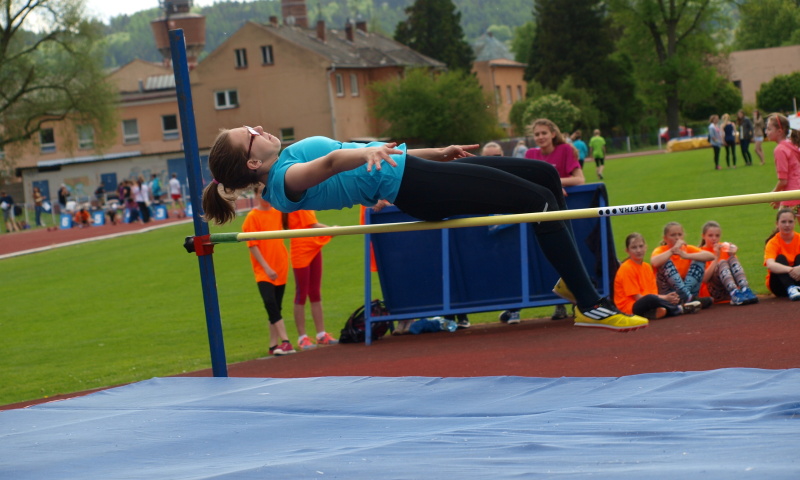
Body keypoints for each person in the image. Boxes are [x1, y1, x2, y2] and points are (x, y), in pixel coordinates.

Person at [202, 125, 649, 331]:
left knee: (545, 177)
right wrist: (369, 151)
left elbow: (382, 156)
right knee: (537, 202)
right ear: (252, 163)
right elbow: (337, 160)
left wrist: (438, 152)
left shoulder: (285, 156)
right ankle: (590, 305)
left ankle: (572, 283)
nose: (258, 127)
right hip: (416, 189)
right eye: (250, 134)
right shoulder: (283, 182)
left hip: (417, 173)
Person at [525, 118, 585, 321]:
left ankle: (580, 302)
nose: (540, 137)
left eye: (544, 133)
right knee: (549, 256)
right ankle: (559, 302)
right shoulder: (530, 155)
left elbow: (579, 179)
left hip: (567, 212)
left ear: (553, 133)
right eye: (537, 134)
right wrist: (550, 188)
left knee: (570, 254)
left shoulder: (565, 150)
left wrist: (555, 184)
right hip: (540, 214)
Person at [242, 195, 296, 355]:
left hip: (280, 265)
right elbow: (252, 245)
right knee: (270, 303)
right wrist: (266, 268)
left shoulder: (278, 212)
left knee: (276, 306)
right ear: (256, 195)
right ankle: (286, 341)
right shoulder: (252, 217)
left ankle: (273, 345)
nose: (265, 196)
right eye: (261, 192)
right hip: (264, 270)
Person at [614, 233, 701, 320]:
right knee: (651, 299)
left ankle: (657, 311)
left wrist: (668, 298)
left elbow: (653, 293)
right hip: (630, 308)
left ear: (645, 247)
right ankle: (678, 309)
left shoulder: (646, 267)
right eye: (634, 248)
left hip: (650, 301)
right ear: (627, 251)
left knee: (677, 294)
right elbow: (638, 298)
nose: (638, 250)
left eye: (641, 246)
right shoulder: (626, 268)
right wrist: (665, 298)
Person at [285, 209, 339, 349]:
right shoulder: (297, 201)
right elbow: (313, 225)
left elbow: (312, 224)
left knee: (315, 292)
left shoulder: (306, 200)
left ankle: (321, 334)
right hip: (300, 248)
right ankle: (302, 337)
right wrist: (332, 230)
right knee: (301, 294)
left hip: (314, 245)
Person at [650, 221, 714, 305]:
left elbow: (710, 256)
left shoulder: (687, 249)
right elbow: (654, 262)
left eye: (679, 235)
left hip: (688, 289)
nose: (677, 238)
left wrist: (686, 255)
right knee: (665, 262)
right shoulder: (661, 250)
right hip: (669, 293)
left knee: (699, 260)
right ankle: (688, 298)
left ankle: (686, 297)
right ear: (665, 238)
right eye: (673, 235)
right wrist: (673, 250)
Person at [698, 220, 758, 305]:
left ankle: (745, 289)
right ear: (703, 236)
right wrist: (716, 257)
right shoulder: (700, 252)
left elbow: (735, 270)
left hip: (728, 289)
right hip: (714, 292)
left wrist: (732, 254)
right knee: (722, 262)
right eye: (710, 235)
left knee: (732, 259)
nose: (714, 238)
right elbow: (704, 279)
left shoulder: (724, 247)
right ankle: (734, 292)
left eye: (717, 236)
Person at [765, 113, 800, 216]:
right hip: (795, 192)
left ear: (779, 131)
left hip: (792, 195)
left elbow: (783, 181)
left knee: (782, 223)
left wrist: (773, 195)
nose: (766, 132)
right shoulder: (791, 144)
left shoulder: (780, 149)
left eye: (769, 129)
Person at [763, 207, 800, 301]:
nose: (787, 225)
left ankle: (795, 288)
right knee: (780, 258)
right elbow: (770, 264)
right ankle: (791, 288)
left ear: (795, 223)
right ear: (777, 224)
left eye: (790, 222)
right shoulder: (773, 242)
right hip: (779, 286)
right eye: (783, 222)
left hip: (798, 280)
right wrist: (791, 270)